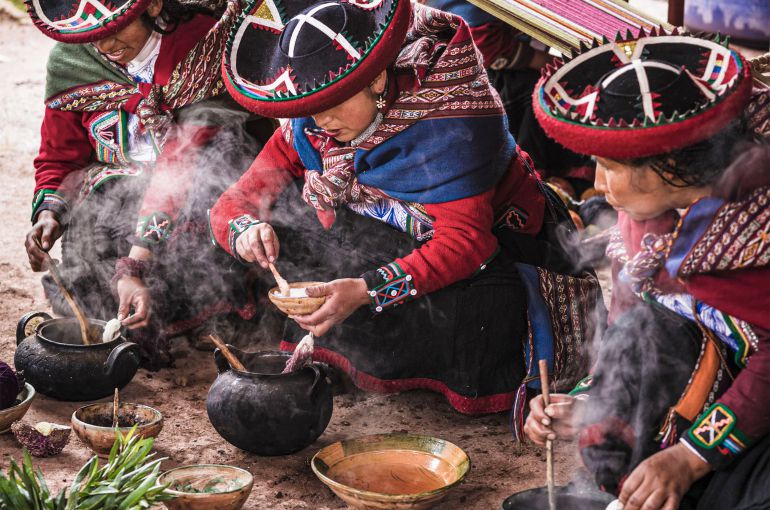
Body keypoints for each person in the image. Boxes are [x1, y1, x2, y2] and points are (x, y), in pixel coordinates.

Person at [209, 0, 603, 415]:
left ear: (377, 79)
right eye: (310, 106)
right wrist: (244, 230)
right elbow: (232, 203)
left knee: (478, 303)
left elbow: (467, 244)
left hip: (495, 248)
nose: (320, 121)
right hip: (395, 235)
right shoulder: (308, 125)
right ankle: (357, 348)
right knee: (296, 231)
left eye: (335, 102)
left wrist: (366, 290)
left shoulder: (449, 122)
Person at [523, 31, 770, 509]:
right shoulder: (646, 225)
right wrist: (591, 403)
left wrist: (691, 456)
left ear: (669, 163)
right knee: (645, 330)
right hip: (723, 377)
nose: (598, 184)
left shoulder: (756, 231)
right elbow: (628, 328)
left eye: (608, 166)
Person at [23, 0, 273, 364]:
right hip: (123, 187)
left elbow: (181, 161)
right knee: (93, 229)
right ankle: (139, 316)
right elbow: (60, 155)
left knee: (208, 194)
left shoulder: (201, 44)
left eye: (115, 29)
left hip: (198, 178)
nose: (104, 45)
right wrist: (50, 213)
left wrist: (134, 264)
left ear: (153, 5)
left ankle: (215, 311)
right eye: (92, 36)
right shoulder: (72, 60)